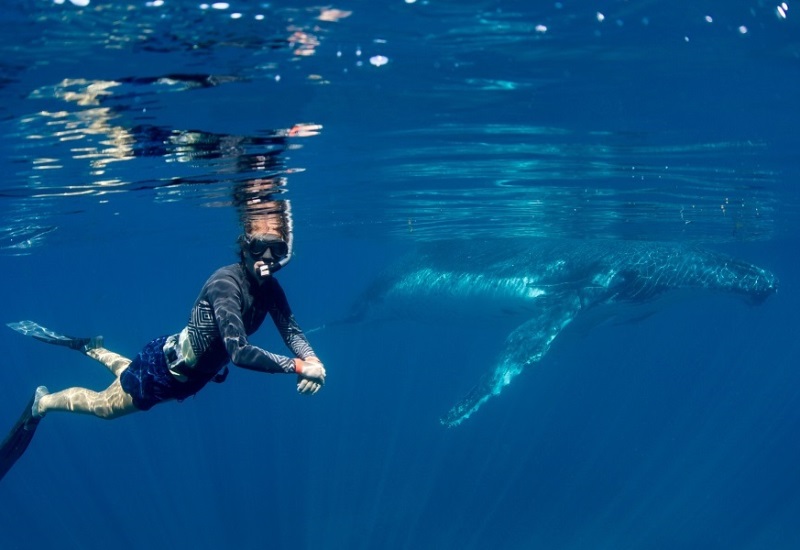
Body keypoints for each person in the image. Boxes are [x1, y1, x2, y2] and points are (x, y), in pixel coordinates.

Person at [1, 221, 325, 480]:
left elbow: (292, 331)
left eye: (277, 248)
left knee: (124, 375)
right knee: (104, 406)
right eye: (259, 247)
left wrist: (311, 359)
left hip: (178, 368)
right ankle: (41, 402)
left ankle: (91, 349)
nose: (267, 257)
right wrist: (298, 367)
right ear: (244, 248)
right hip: (164, 373)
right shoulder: (226, 285)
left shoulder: (270, 289)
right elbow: (238, 352)